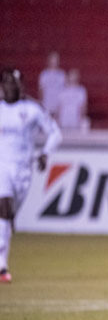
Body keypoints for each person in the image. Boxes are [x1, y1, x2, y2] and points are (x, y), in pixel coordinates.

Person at [0, 68, 63, 283]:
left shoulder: (32, 109)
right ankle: (2, 266)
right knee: (4, 208)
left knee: (8, 217)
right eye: (8, 83)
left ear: (21, 86)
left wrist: (45, 153)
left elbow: (55, 133)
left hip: (24, 170)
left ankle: (2, 257)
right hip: (2, 167)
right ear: (2, 86)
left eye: (15, 83)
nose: (11, 87)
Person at [38, 51, 66, 118]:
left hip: (58, 105)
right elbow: (41, 90)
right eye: (52, 60)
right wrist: (41, 103)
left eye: (56, 60)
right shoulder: (44, 74)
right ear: (49, 61)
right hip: (47, 103)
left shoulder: (62, 75)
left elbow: (65, 91)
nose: (54, 62)